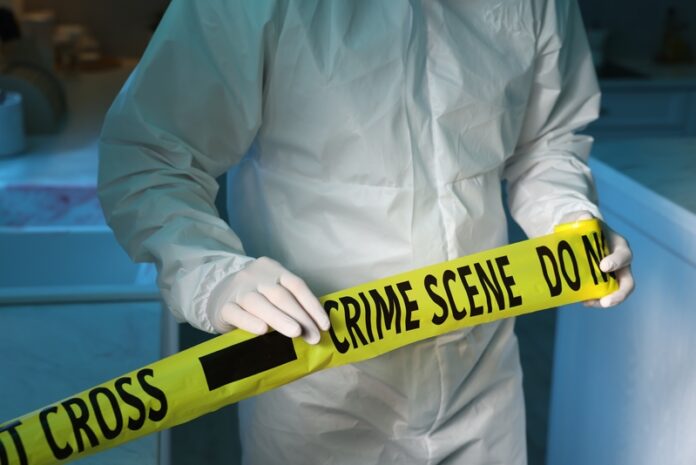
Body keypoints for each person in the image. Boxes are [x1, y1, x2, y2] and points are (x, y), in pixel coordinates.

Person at [98, 0, 634, 463]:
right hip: (319, 377)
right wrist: (212, 272)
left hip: (479, 367)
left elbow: (546, 139)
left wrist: (570, 220)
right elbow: (153, 156)